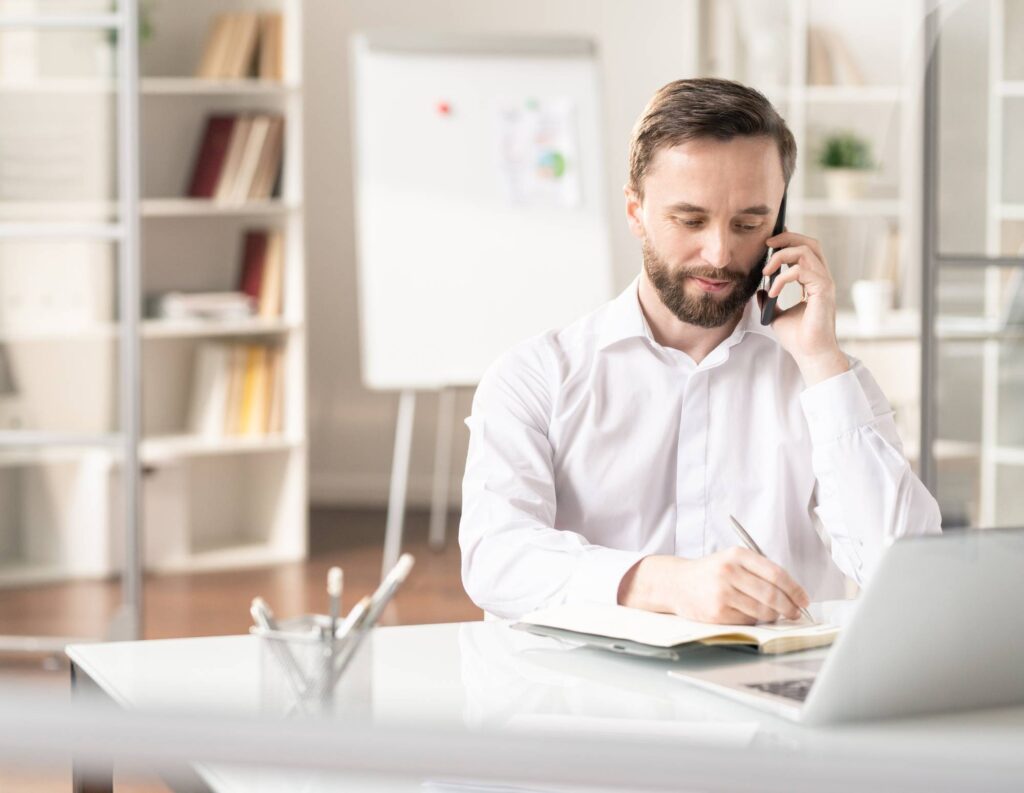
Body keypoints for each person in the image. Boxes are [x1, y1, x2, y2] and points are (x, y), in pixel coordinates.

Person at [459, 78, 941, 624]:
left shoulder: (825, 379)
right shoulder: (536, 377)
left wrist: (821, 363)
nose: (719, 254)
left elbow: (905, 571)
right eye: (690, 220)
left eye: (748, 224)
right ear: (636, 210)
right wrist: (661, 583)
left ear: (779, 223)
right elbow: (496, 558)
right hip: (593, 679)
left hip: (775, 675)